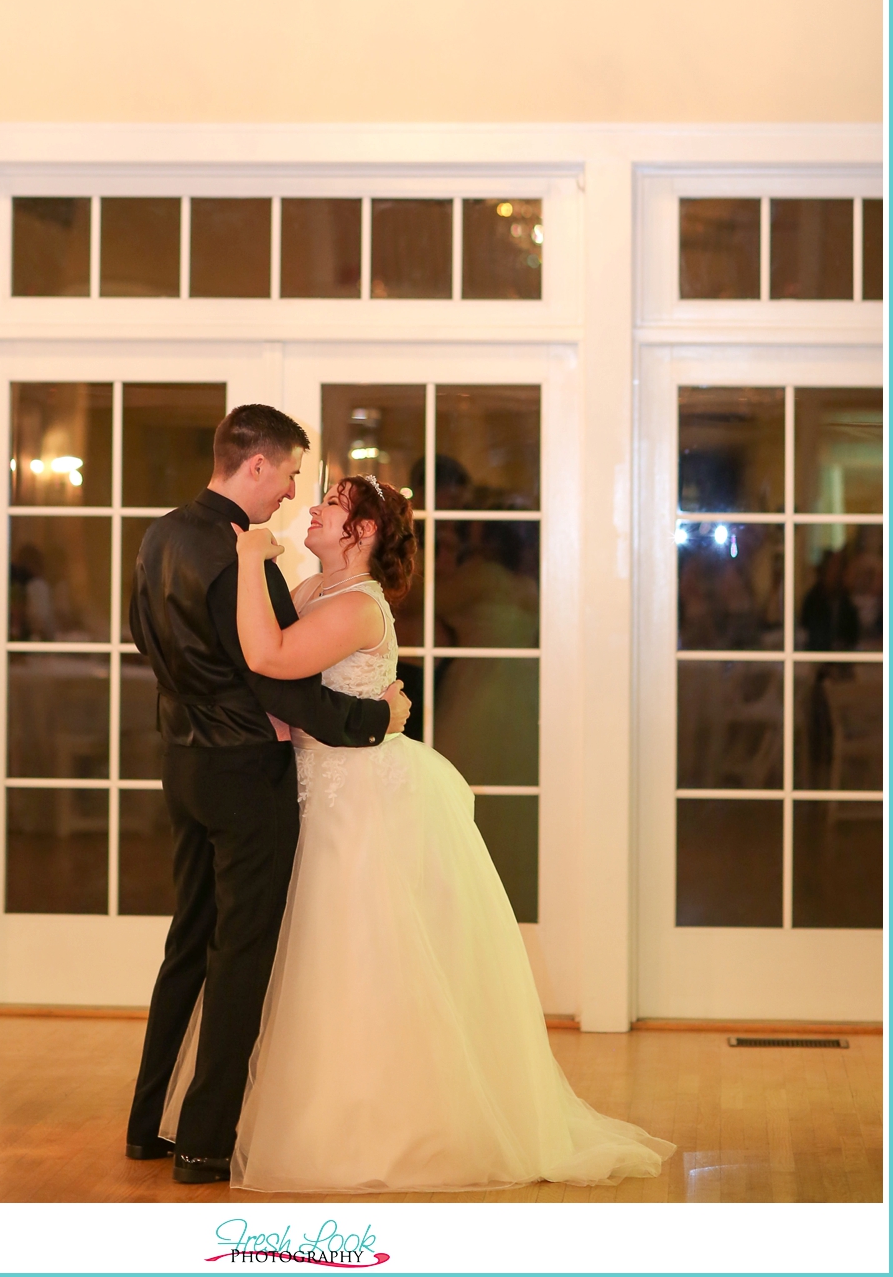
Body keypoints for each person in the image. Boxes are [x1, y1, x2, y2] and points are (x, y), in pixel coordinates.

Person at [164, 474, 676, 1192]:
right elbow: (272, 671)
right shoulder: (313, 592)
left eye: (332, 504)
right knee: (297, 957)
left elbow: (272, 659)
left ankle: (377, 1125)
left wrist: (252, 560)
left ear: (363, 532)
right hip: (311, 786)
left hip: (359, 800)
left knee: (356, 956)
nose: (313, 507)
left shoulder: (357, 606)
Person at [125, 407, 411, 1185]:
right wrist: (374, 718)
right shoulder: (232, 555)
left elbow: (145, 642)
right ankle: (206, 1144)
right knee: (241, 955)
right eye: (289, 475)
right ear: (256, 467)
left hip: (182, 763)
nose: (293, 494)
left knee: (188, 943)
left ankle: (147, 1121)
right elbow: (270, 675)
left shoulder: (160, 536)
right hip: (244, 774)